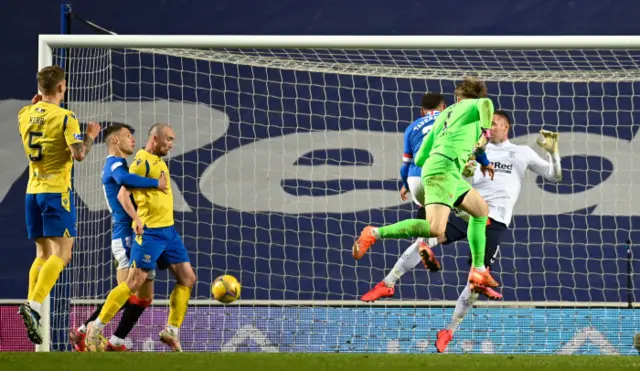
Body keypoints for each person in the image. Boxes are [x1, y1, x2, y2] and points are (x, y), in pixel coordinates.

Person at [353, 77, 499, 293]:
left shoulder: (443, 118)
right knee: (435, 228)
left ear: (457, 97)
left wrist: (470, 156)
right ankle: (375, 233)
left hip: (438, 168)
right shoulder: (474, 106)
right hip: (444, 170)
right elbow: (486, 106)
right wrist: (486, 133)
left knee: (480, 212)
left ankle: (479, 269)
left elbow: (420, 157)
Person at [86, 123, 196, 352]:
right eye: (169, 139)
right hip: (151, 234)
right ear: (155, 138)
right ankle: (95, 326)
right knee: (133, 283)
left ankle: (171, 331)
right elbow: (123, 193)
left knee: (188, 278)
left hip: (169, 232)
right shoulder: (141, 161)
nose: (171, 144)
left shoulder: (159, 161)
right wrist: (136, 219)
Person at [18, 65, 100, 344]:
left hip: (32, 190)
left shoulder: (24, 114)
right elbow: (79, 154)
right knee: (63, 254)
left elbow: (35, 116)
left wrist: (36, 106)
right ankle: (34, 306)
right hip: (55, 192)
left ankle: (33, 305)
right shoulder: (66, 118)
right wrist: (89, 134)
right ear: (62, 87)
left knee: (42, 253)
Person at [69, 123, 168, 351]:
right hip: (125, 234)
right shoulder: (114, 163)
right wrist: (156, 183)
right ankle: (86, 332)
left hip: (140, 235)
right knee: (127, 291)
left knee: (144, 296)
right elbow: (125, 180)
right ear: (116, 141)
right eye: (128, 136)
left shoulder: (122, 163)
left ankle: (111, 340)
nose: (133, 140)